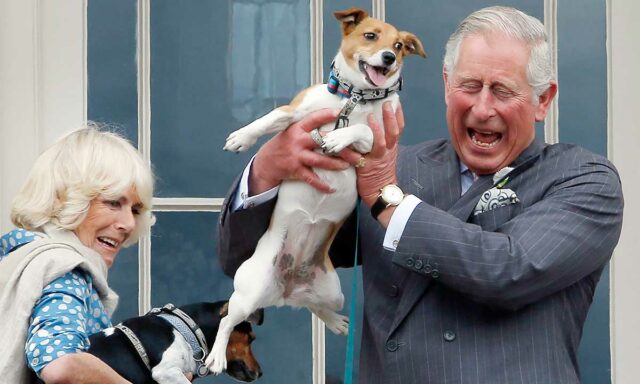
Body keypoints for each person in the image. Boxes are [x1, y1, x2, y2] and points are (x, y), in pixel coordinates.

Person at [217, 5, 624, 384]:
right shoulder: (397, 165)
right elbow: (246, 257)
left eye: (502, 91)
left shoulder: (584, 180)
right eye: (469, 85)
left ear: (543, 100)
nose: (482, 109)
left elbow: (508, 270)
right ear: (447, 86)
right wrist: (269, 170)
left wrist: (383, 195)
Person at [0, 126, 155, 383]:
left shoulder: (15, 258)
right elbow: (59, 362)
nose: (128, 224)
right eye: (113, 202)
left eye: (136, 210)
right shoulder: (64, 270)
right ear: (64, 199)